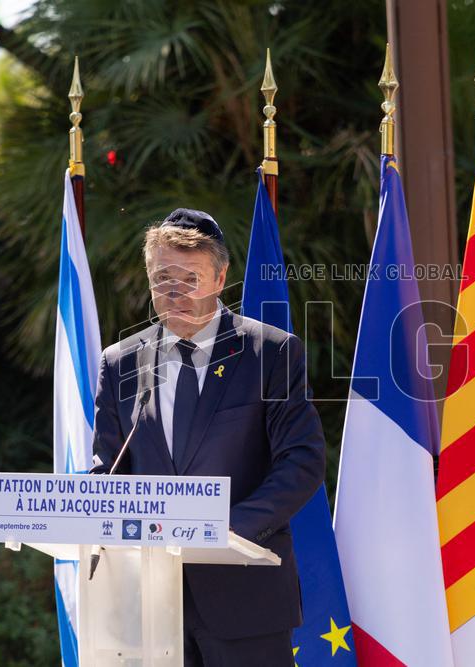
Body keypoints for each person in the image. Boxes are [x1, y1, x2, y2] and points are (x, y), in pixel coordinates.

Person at [90, 208, 325, 667]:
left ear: (220, 278)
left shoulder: (270, 352)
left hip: (244, 599)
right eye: (162, 277)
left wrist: (226, 529)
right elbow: (108, 471)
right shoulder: (119, 363)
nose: (174, 291)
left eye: (189, 277)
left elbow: (302, 462)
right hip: (149, 606)